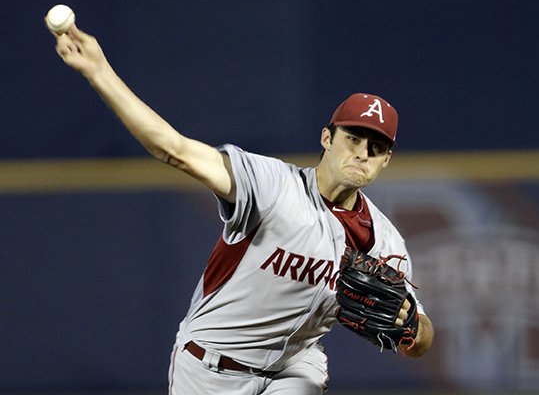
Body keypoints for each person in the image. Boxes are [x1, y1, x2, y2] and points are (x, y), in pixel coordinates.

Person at [47, 21, 434, 395]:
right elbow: (174, 149)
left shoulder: (383, 241)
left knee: (307, 374)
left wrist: (414, 330)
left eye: (376, 147)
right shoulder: (270, 185)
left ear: (386, 161)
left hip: (295, 368)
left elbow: (420, 338)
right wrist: (99, 71)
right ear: (327, 138)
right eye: (354, 138)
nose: (363, 153)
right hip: (209, 364)